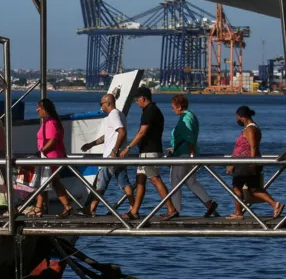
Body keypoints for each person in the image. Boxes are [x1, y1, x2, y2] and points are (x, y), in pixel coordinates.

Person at [121, 87, 177, 218]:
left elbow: (142, 132)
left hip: (150, 151)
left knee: (155, 179)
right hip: (145, 151)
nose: (136, 102)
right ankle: (134, 211)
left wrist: (128, 147)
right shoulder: (152, 110)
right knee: (140, 180)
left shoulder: (150, 111)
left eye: (137, 99)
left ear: (143, 98)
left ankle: (171, 209)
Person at [80, 93, 135, 217]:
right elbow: (109, 136)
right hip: (118, 157)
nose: (101, 107)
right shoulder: (120, 115)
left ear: (108, 103)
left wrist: (114, 150)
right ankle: (133, 209)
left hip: (111, 157)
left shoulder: (113, 115)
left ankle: (91, 209)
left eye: (102, 104)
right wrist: (92, 144)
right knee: (124, 182)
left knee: (100, 184)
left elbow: (122, 132)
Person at [165, 95, 217, 219]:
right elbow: (188, 137)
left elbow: (189, 136)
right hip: (187, 152)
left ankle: (175, 210)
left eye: (173, 108)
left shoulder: (185, 118)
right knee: (191, 181)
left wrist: (191, 153)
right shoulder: (191, 116)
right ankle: (209, 203)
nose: (173, 110)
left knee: (175, 181)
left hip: (184, 154)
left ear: (178, 106)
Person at [226, 106, 283, 219]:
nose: (238, 120)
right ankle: (274, 204)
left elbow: (253, 146)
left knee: (237, 187)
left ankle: (238, 213)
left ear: (243, 117)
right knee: (254, 189)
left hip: (245, 163)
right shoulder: (251, 128)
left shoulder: (250, 129)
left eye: (238, 118)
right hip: (245, 162)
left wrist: (251, 162)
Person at [32, 97, 80, 217]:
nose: (37, 111)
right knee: (51, 182)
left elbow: (53, 140)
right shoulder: (52, 122)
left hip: (50, 156)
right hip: (52, 156)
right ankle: (43, 207)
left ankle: (42, 208)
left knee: (46, 182)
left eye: (38, 108)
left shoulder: (50, 123)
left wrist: (42, 151)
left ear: (44, 109)